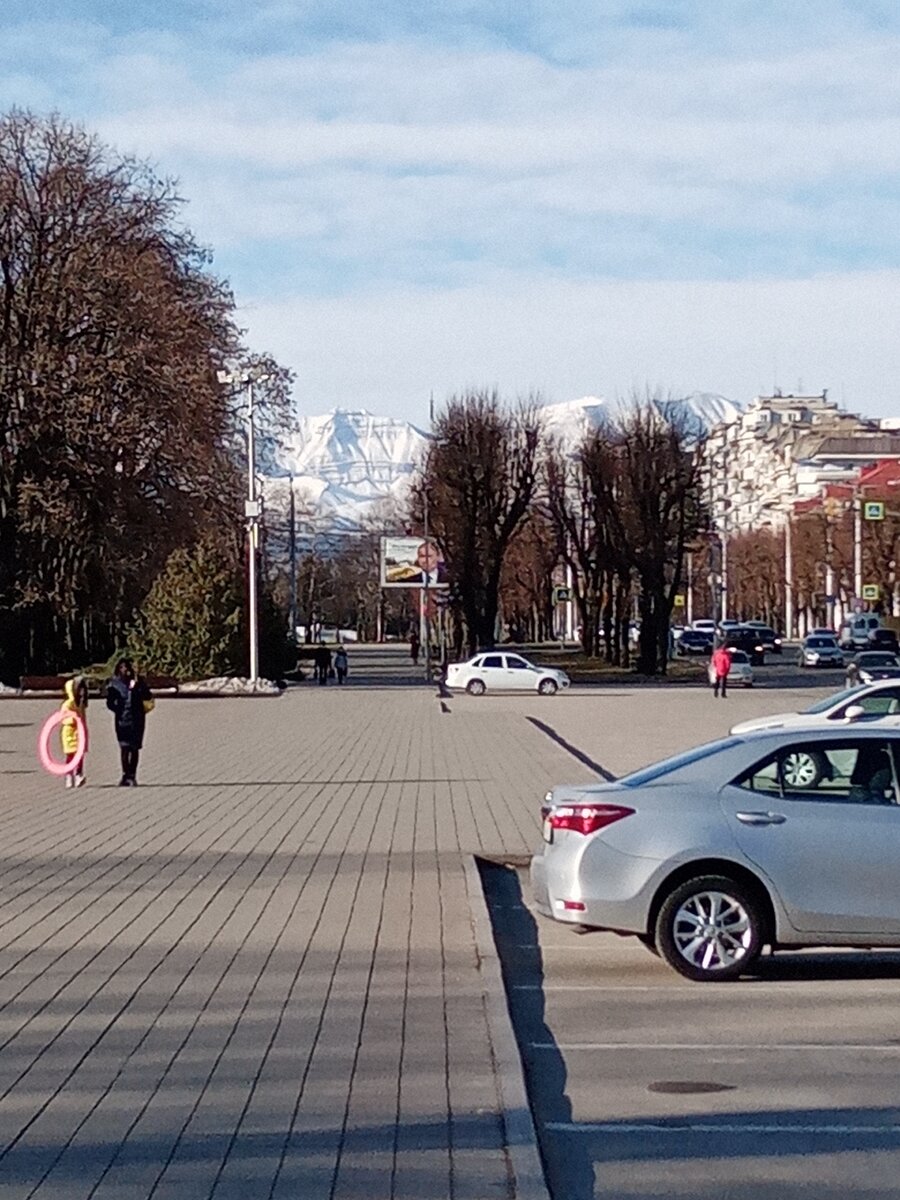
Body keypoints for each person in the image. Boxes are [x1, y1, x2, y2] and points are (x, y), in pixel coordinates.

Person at [106, 658, 154, 786]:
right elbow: (110, 703)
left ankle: (132, 775)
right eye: (122, 667)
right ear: (118, 669)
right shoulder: (114, 684)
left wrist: (138, 686)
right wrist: (118, 709)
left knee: (134, 748)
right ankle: (124, 775)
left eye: (127, 667)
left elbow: (148, 696)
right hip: (122, 720)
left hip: (137, 719)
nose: (125, 670)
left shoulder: (138, 682)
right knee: (124, 747)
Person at [60, 675, 89, 788]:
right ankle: (69, 775)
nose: (81, 691)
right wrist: (73, 719)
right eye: (79, 688)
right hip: (70, 732)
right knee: (70, 754)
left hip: (80, 732)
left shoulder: (82, 704)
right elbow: (63, 717)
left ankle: (78, 774)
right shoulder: (67, 704)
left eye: (83, 689)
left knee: (80, 754)